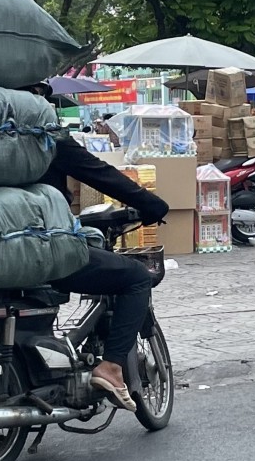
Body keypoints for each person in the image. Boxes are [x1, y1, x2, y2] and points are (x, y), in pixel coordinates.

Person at [26, 82, 169, 412]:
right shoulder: (44, 138)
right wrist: (151, 204)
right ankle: (111, 367)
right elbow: (99, 173)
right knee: (136, 277)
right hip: (42, 247)